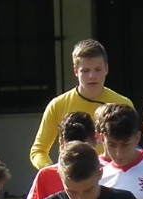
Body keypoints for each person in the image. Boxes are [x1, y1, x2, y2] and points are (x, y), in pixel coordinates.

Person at [29, 39, 133, 170]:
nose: (92, 76)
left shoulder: (123, 104)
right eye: (85, 70)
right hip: (71, 176)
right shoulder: (57, 105)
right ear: (76, 71)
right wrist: (55, 172)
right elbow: (39, 151)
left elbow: (132, 147)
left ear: (106, 69)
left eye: (98, 69)